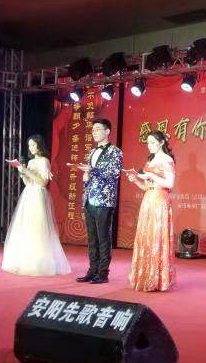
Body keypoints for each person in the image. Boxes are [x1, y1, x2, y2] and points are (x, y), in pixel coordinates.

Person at [2, 135, 71, 277]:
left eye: (33, 145)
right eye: (29, 145)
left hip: (38, 195)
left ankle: (40, 262)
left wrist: (26, 171)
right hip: (28, 194)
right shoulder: (31, 161)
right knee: (27, 226)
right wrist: (22, 172)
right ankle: (26, 260)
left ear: (40, 146)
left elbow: (43, 182)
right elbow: (28, 182)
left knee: (38, 227)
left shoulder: (44, 161)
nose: (31, 148)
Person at [125, 130, 176, 292]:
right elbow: (146, 187)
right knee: (146, 237)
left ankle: (158, 279)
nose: (150, 145)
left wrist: (151, 176)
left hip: (160, 200)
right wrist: (135, 180)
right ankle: (145, 276)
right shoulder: (150, 161)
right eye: (148, 143)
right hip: (148, 199)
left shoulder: (167, 159)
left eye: (153, 142)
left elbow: (170, 183)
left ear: (162, 143)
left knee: (156, 237)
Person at [75, 119, 122, 284]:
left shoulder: (115, 151)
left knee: (103, 238)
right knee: (92, 238)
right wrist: (86, 176)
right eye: (93, 130)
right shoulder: (92, 152)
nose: (94, 132)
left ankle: (103, 273)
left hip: (104, 200)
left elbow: (114, 173)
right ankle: (92, 270)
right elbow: (90, 175)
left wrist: (93, 171)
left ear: (107, 131)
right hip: (89, 199)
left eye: (97, 129)